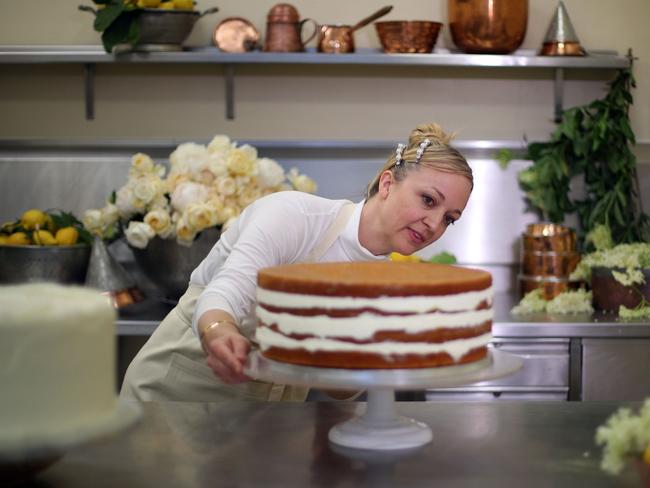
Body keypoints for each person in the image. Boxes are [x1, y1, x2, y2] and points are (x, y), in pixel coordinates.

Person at [120, 123, 474, 402]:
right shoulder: (294, 216)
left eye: (450, 218)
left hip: (264, 422)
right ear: (386, 184)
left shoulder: (387, 284)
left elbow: (338, 391)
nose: (434, 224)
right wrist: (219, 333)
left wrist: (372, 361)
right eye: (428, 200)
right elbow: (224, 292)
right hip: (176, 395)